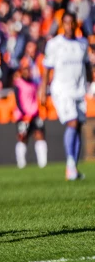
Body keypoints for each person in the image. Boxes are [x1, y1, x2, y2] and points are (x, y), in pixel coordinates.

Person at [40, 11, 92, 180]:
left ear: (76, 24)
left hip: (79, 90)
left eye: (72, 23)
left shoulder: (82, 44)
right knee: (73, 121)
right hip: (61, 91)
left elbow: (87, 67)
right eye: (66, 23)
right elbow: (47, 69)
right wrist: (43, 91)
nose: (69, 26)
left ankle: (73, 168)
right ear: (63, 25)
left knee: (78, 126)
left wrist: (91, 83)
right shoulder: (54, 44)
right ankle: (70, 165)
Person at [13, 57, 48, 169]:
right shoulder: (18, 84)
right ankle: (21, 164)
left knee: (40, 135)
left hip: (34, 114)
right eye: (25, 69)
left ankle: (43, 163)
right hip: (23, 116)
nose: (28, 72)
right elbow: (18, 101)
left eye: (29, 69)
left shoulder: (34, 83)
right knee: (23, 138)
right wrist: (25, 115)